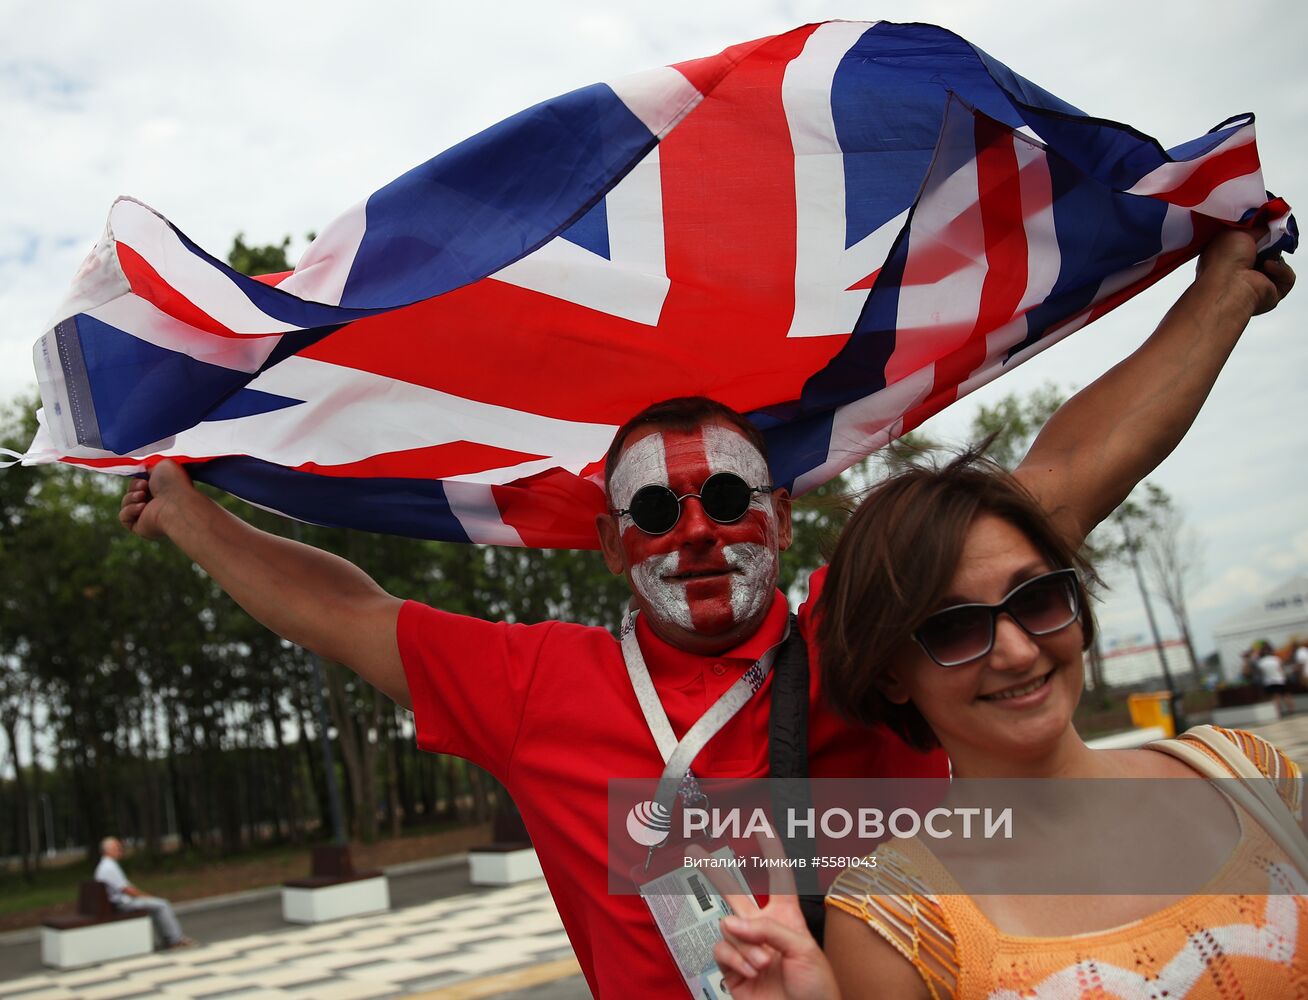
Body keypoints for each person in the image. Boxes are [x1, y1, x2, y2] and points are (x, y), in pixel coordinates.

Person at [117, 230, 1291, 996]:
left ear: (780, 513)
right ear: (607, 541)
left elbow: (1058, 482)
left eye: (727, 498)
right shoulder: (535, 687)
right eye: (654, 508)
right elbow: (348, 610)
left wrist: (1222, 294)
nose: (696, 530)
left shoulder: (870, 631)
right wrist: (189, 517)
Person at [710, 454, 1308, 998]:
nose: (1019, 652)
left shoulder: (1247, 773)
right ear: (890, 673)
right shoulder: (890, 921)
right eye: (954, 628)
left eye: (1037, 598)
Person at [94, 837, 195, 950]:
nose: (120, 850)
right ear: (108, 850)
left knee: (156, 905)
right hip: (121, 903)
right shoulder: (109, 867)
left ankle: (168, 939)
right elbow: (126, 889)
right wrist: (146, 897)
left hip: (117, 902)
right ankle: (175, 939)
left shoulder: (106, 865)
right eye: (117, 847)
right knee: (162, 904)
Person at [1257, 643, 1294, 715]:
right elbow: (1281, 669)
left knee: (1275, 697)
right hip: (1280, 679)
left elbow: (1262, 673)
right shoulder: (1276, 659)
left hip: (1269, 681)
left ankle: (1279, 712)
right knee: (1286, 695)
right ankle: (1291, 710)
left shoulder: (1261, 662)